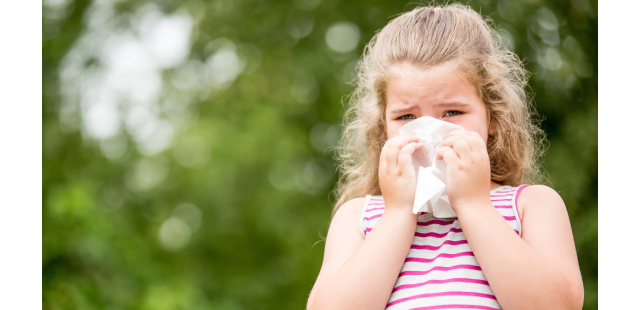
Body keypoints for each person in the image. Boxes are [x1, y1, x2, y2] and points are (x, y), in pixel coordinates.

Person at [306, 4, 584, 310]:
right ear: (382, 127)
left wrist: (474, 204)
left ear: (492, 117)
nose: (429, 132)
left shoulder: (531, 206)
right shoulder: (360, 217)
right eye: (406, 116)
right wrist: (399, 212)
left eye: (452, 112)